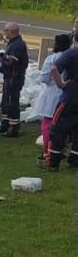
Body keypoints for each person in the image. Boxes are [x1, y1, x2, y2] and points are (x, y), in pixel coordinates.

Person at [35, 34, 72, 161]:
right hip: (68, 94)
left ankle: (48, 151)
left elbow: (44, 78)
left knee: (48, 124)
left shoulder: (51, 59)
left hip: (52, 94)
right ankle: (63, 149)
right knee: (65, 124)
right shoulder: (71, 56)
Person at [46, 42, 78, 170]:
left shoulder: (71, 53)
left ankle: (53, 161)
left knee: (58, 128)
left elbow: (54, 68)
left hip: (71, 97)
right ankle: (75, 161)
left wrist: (61, 84)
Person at [0, 22, 30, 136]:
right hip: (9, 76)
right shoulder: (13, 43)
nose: (4, 32)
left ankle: (13, 128)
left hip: (14, 78)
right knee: (5, 101)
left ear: (12, 31)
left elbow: (11, 62)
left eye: (6, 30)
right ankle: (5, 124)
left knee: (12, 102)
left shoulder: (17, 45)